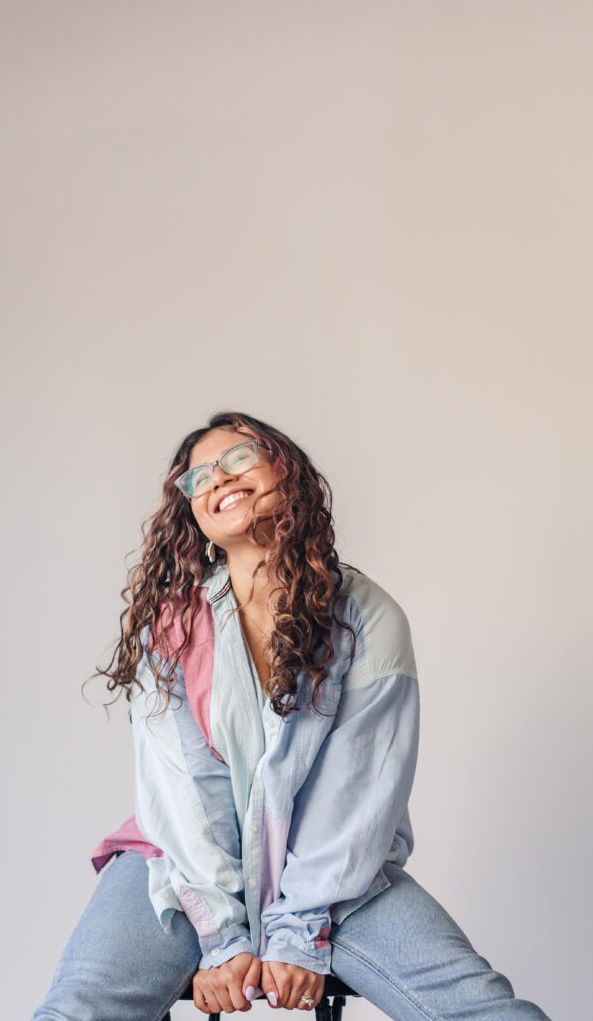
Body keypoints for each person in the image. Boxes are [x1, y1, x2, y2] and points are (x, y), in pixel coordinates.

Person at [31, 410, 552, 1021]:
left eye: (236, 459)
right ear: (190, 513)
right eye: (197, 477)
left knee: (491, 1013)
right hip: (182, 867)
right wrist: (222, 936)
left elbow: (357, 793)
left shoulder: (368, 617)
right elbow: (182, 788)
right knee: (74, 1011)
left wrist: (298, 932)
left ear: (286, 469)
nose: (217, 479)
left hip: (334, 880)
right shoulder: (170, 627)